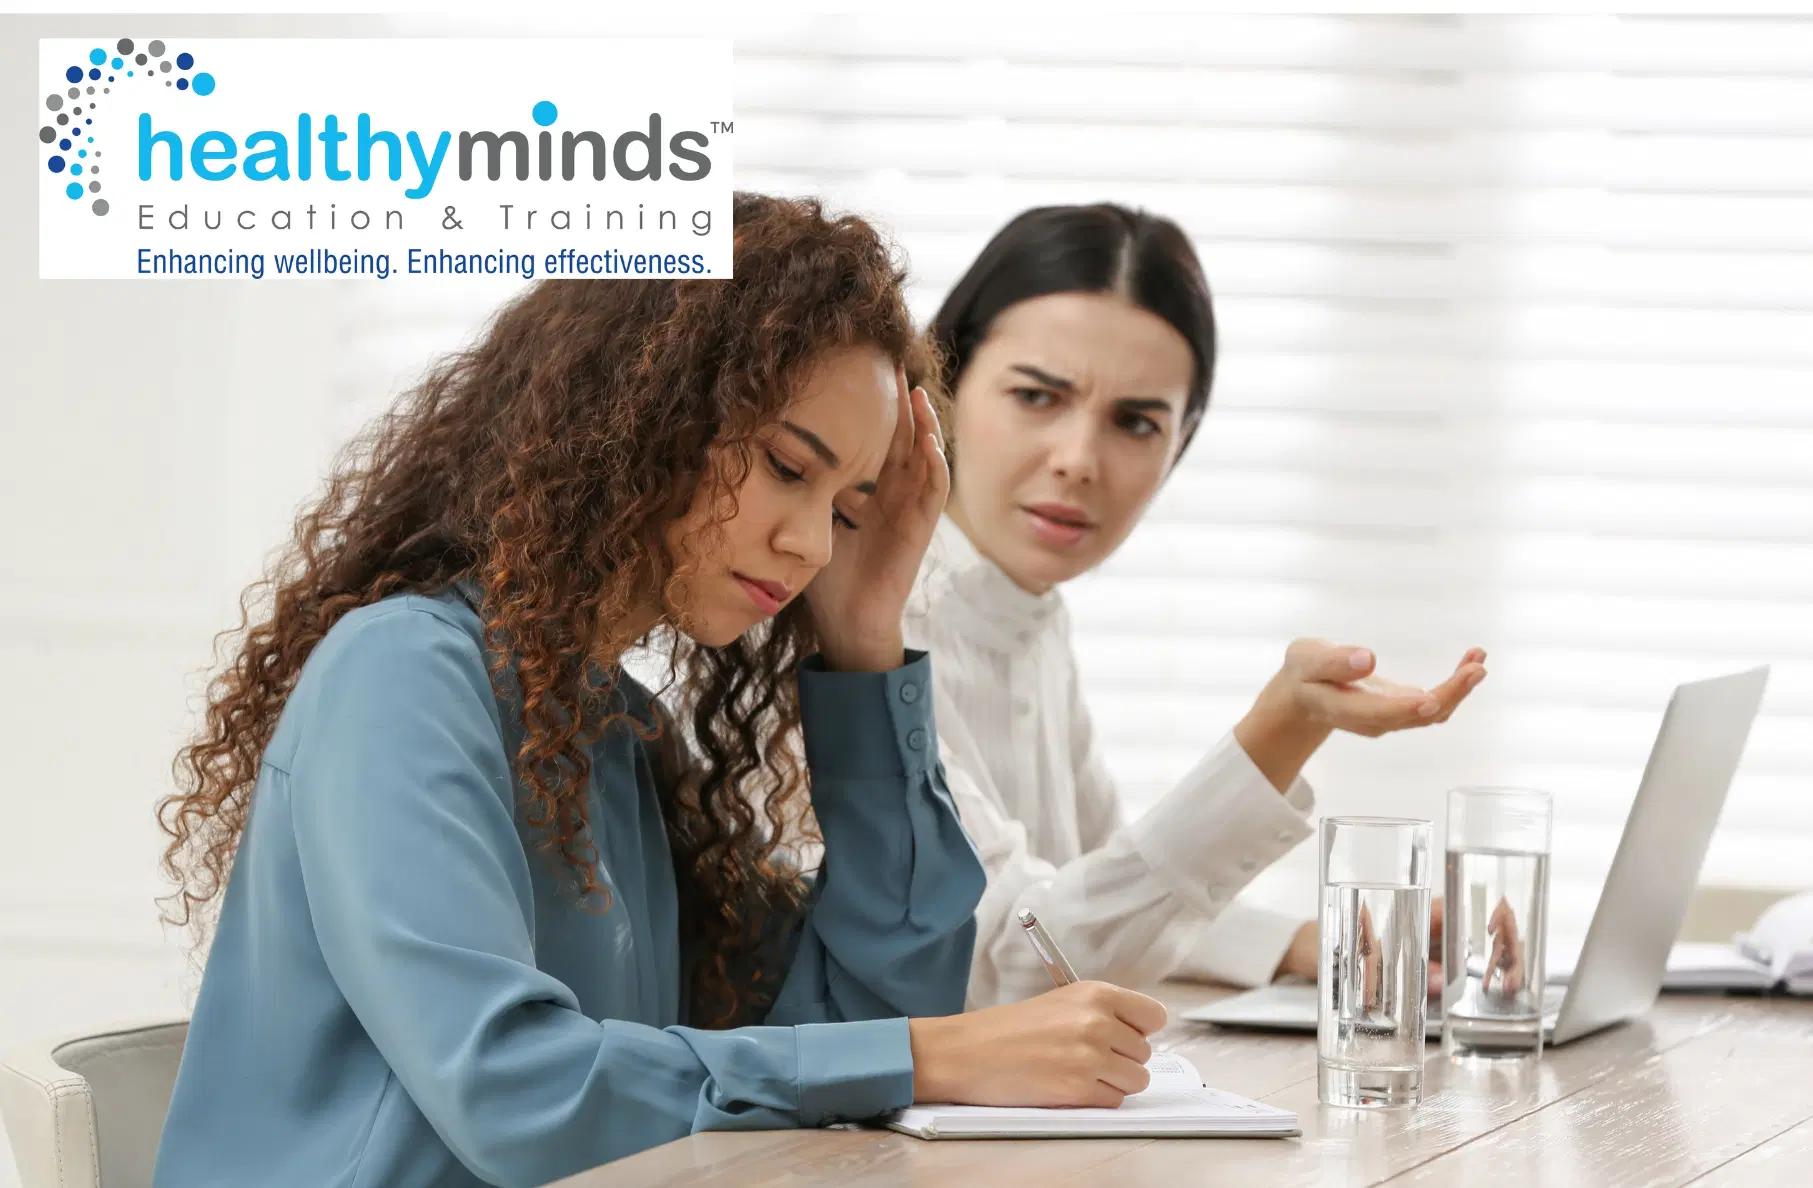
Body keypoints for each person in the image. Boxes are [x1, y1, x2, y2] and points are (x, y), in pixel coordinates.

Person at [150, 194, 1168, 1188]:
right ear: (640, 420)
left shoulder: (618, 726)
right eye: (785, 469)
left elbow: (851, 1020)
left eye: (847, 507)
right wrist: (936, 1056)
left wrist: (865, 641)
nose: (811, 544)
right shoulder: (401, 677)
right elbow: (518, 1095)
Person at [905, 203, 1479, 1009]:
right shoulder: (878, 622)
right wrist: (1279, 732)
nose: (1077, 461)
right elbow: (1026, 955)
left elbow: (1100, 892)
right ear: (942, 385)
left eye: (1135, 422)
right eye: (1037, 397)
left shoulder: (1026, 612)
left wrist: (1301, 944)